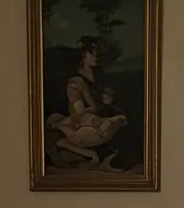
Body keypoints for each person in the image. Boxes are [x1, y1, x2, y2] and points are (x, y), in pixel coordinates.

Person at [45, 37, 127, 166]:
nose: (96, 57)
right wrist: (98, 104)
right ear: (84, 54)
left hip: (96, 111)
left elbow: (99, 93)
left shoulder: (98, 71)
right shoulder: (76, 80)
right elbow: (79, 108)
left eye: (98, 54)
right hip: (78, 116)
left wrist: (107, 96)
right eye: (92, 53)